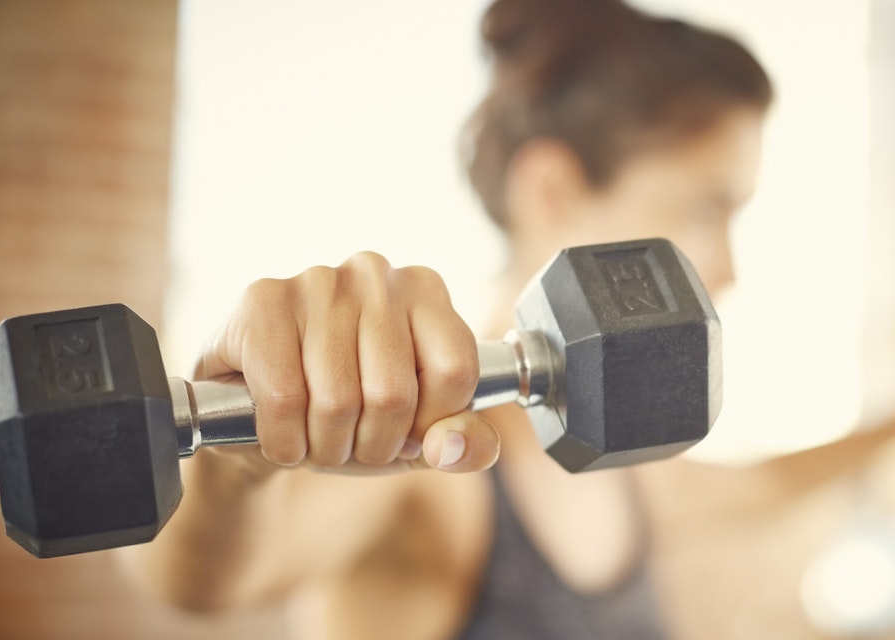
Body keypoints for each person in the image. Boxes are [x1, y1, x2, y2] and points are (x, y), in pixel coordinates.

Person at [123, 0, 776, 637]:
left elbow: (766, 486)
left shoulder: (623, 461)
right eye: (708, 210)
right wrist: (237, 464)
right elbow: (200, 582)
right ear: (554, 189)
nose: (730, 270)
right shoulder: (431, 454)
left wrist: (884, 429)